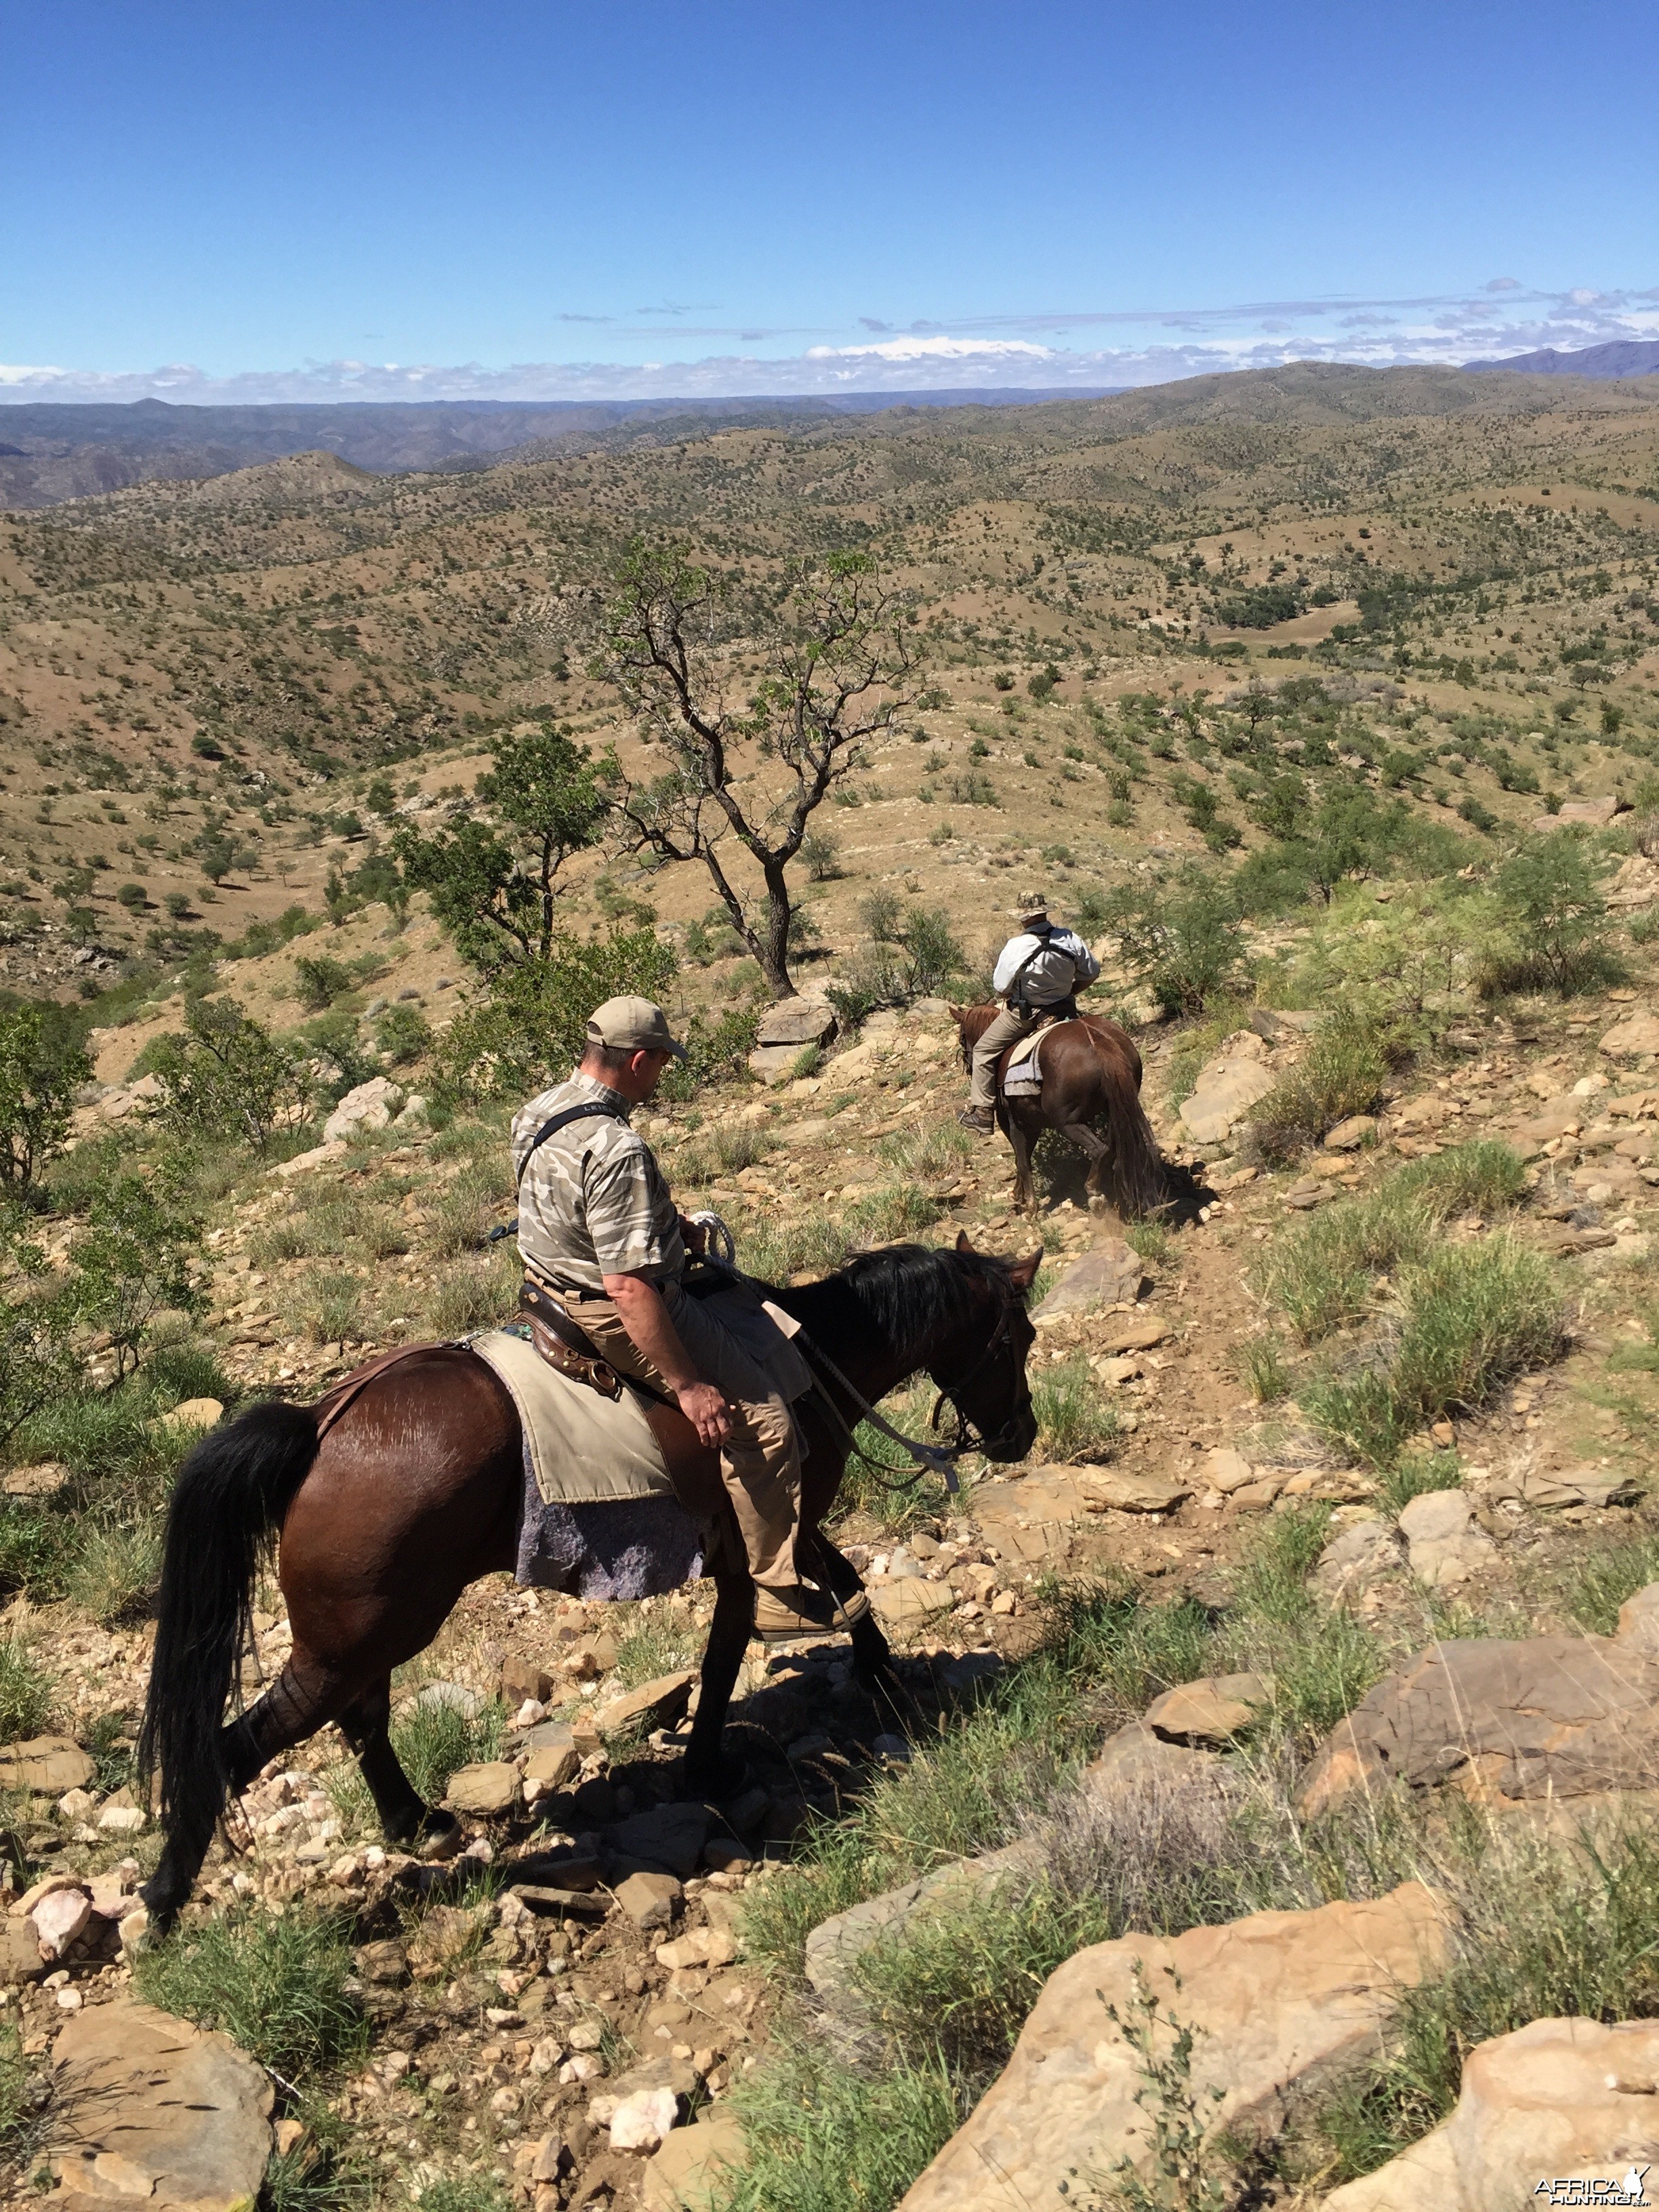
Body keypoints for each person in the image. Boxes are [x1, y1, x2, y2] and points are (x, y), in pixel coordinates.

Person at [513, 995, 834, 1643]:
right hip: (609, 1308)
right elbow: (629, 1287)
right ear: (636, 1060)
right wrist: (689, 1387)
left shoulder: (538, 1110)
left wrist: (665, 1226)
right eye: (659, 1062)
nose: (660, 1075)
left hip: (544, 1286)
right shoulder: (617, 1144)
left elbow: (568, 1206)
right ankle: (776, 1593)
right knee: (766, 1423)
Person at [960, 897, 1101, 1132]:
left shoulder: (1016, 946)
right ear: (1045, 913)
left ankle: (983, 1112)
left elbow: (1002, 988)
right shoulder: (1070, 938)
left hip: (1026, 1015)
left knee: (983, 1051)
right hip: (1065, 1009)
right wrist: (1070, 991)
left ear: (1023, 917)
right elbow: (1092, 973)